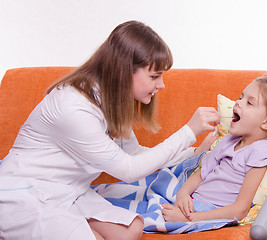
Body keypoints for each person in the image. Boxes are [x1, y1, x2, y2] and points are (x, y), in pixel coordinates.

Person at [0, 21, 220, 240]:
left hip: (69, 192)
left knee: (130, 229)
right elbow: (129, 170)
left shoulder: (111, 103)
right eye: (154, 76)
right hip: (28, 194)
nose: (161, 84)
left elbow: (135, 154)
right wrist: (188, 131)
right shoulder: (73, 108)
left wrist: (194, 152)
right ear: (124, 72)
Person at [161, 75, 267, 223]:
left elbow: (240, 210)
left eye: (249, 103)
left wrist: (191, 219)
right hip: (192, 204)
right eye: (241, 97)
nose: (238, 102)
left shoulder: (260, 151)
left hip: (211, 214)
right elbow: (201, 174)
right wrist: (183, 194)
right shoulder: (229, 140)